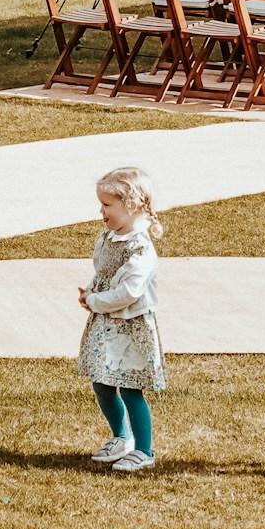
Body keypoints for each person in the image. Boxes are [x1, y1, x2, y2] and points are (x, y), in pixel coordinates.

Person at [78, 165, 167, 473]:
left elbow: (129, 292)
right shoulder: (110, 236)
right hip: (106, 322)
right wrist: (91, 290)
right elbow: (103, 272)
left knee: (129, 386)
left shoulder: (140, 248)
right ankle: (121, 437)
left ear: (130, 205)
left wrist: (96, 301)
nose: (100, 210)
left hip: (129, 325)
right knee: (101, 381)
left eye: (106, 204)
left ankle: (144, 450)